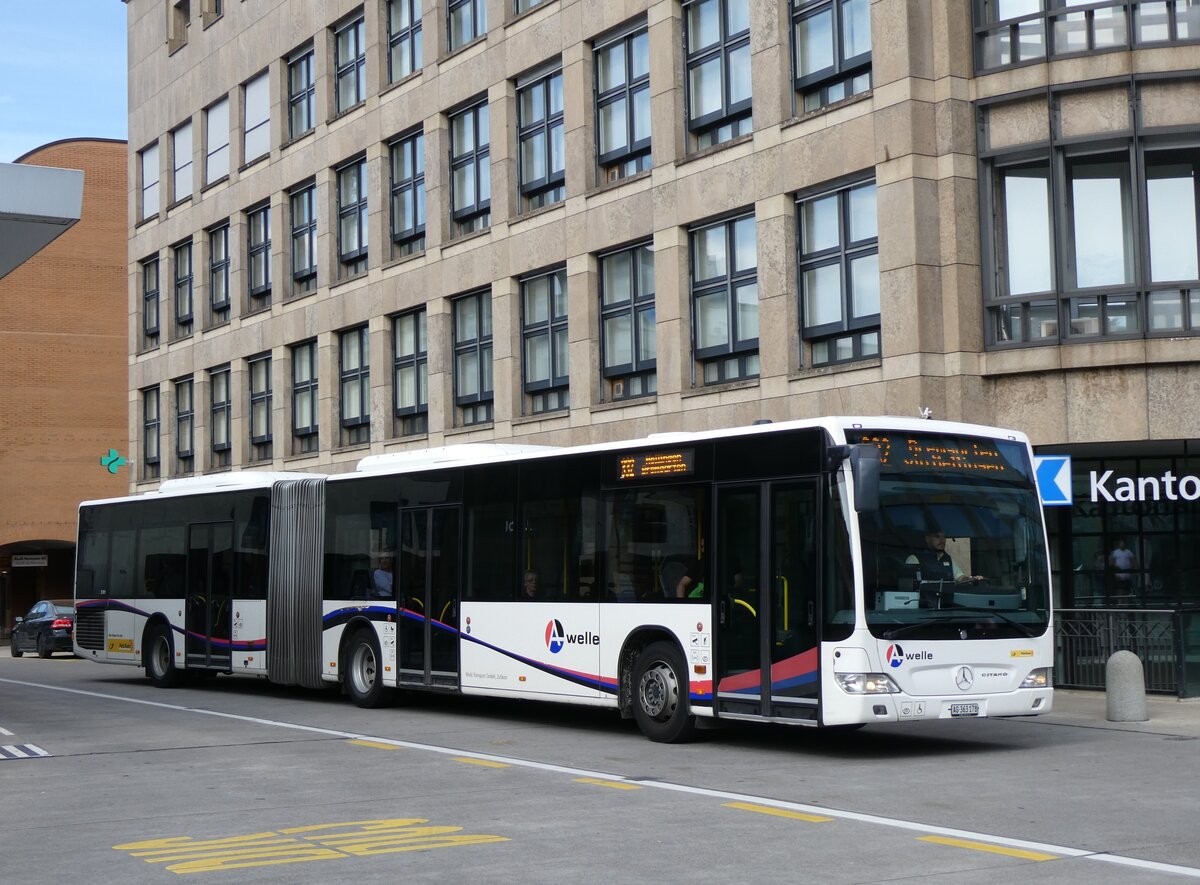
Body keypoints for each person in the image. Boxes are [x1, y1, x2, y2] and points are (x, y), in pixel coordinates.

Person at [905, 528, 983, 584]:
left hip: (946, 605)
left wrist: (971, 579)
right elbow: (908, 587)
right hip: (923, 604)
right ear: (927, 539)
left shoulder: (947, 558)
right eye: (937, 536)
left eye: (944, 536)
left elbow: (960, 577)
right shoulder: (915, 558)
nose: (942, 540)